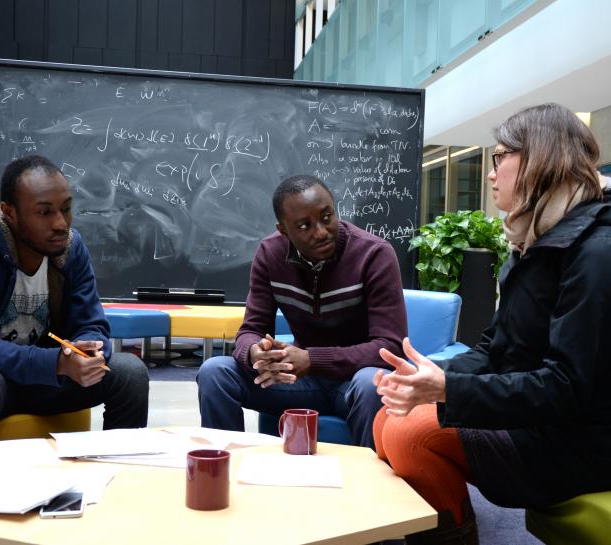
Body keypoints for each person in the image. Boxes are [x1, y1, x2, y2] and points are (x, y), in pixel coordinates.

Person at [373, 103, 611, 545]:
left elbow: (567, 388)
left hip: (582, 442)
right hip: (541, 422)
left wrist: (448, 391)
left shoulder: (595, 252)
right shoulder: (538, 240)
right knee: (389, 415)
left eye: (500, 157)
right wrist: (433, 377)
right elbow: (493, 347)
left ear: (539, 159)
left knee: (412, 433)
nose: (490, 172)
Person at [197, 174, 406, 448]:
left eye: (327, 217)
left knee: (372, 384)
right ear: (284, 230)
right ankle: (226, 470)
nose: (320, 232)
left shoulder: (374, 254)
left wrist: (312, 359)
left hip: (354, 384)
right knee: (215, 372)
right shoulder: (270, 254)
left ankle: (372, 485)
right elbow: (251, 329)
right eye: (304, 225)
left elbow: (389, 347)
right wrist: (255, 353)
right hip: (299, 382)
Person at [0, 155, 149, 442]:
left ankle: (119, 478)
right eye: (44, 212)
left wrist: (87, 351)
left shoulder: (71, 249)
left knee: (129, 372)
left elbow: (92, 324)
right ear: (9, 212)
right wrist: (54, 362)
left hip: (46, 379)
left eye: (66, 209)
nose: (60, 224)